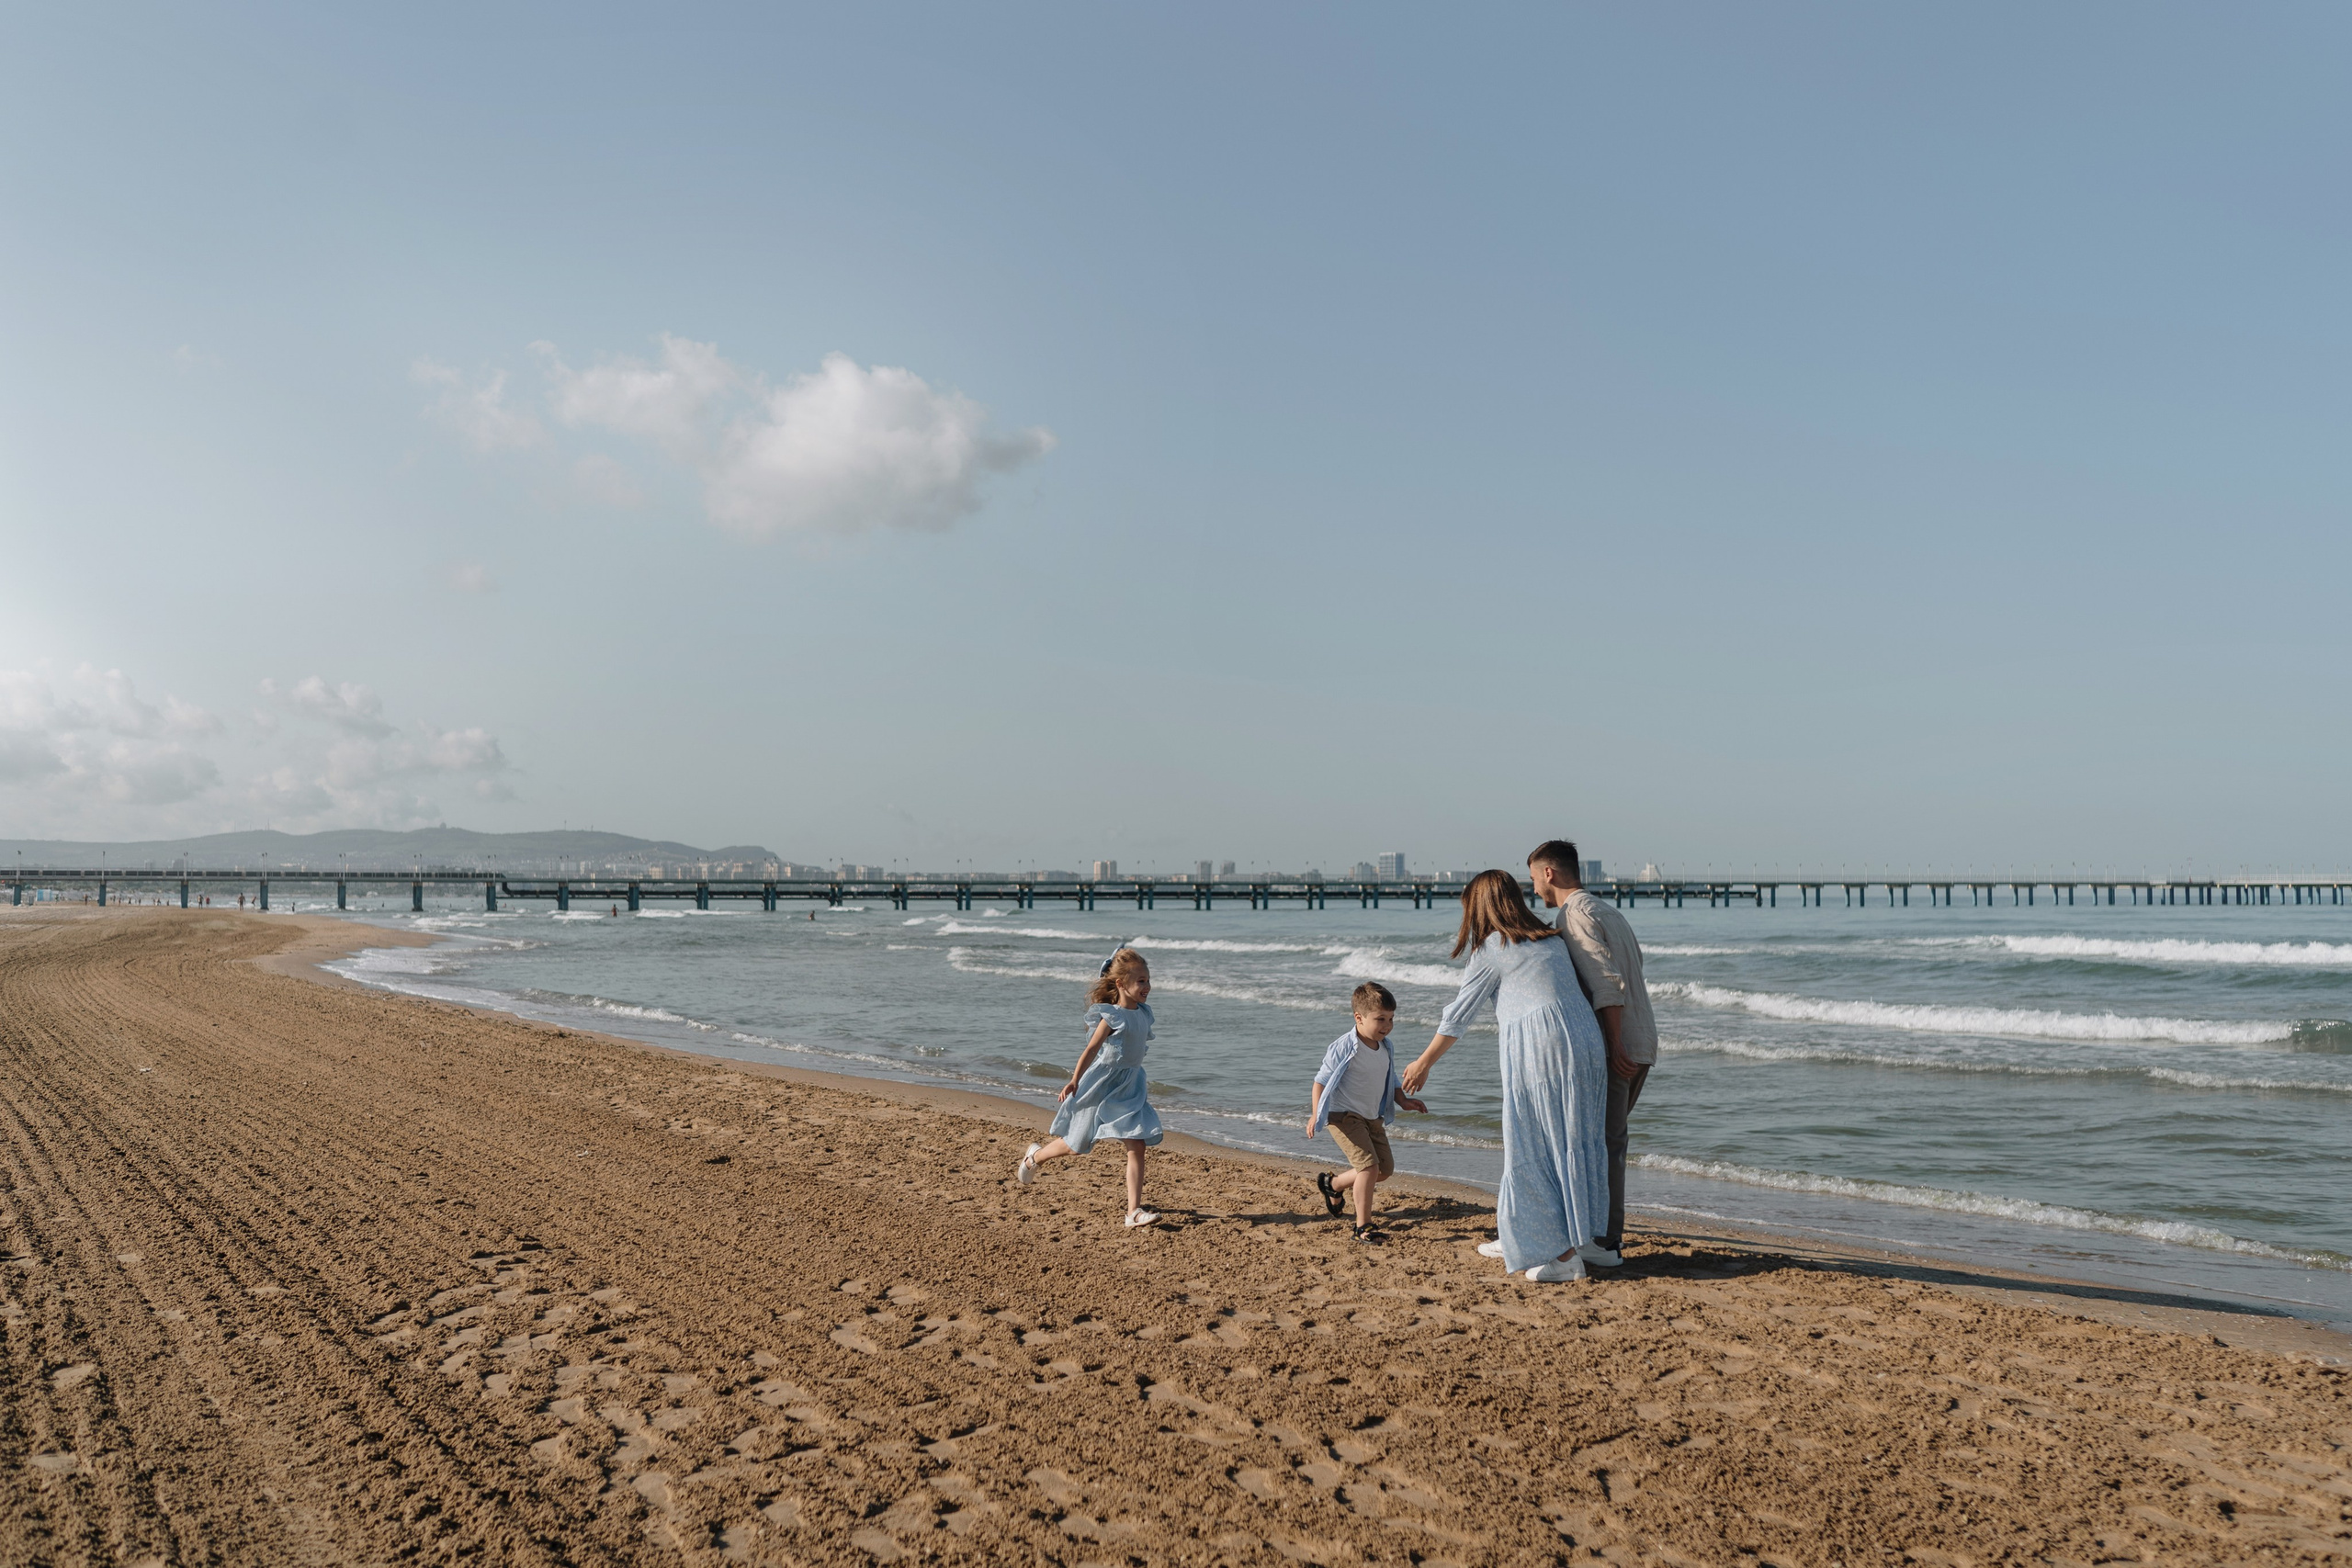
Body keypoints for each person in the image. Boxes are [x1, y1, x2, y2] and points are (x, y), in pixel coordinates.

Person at [1400, 869, 1609, 1282]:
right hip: (1585, 1041)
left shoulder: (1494, 947)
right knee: (1572, 1139)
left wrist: (1423, 1062)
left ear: (1478, 907)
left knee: (1532, 1143)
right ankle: (1563, 1239)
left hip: (1542, 1046)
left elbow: (1458, 1014)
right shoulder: (1550, 939)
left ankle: (1564, 1259)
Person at [1527, 840, 1657, 1269]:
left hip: (1617, 1045)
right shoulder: (1608, 911)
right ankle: (1600, 1236)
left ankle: (1604, 1241)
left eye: (1533, 878)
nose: (1534, 890)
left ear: (1549, 873)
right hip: (1643, 1039)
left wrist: (1613, 1044)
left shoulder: (1574, 915)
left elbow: (1607, 983)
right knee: (1608, 1141)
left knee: (1602, 1144)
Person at [1015, 946, 1164, 1228]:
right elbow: (1092, 1050)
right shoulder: (1112, 1016)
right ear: (1121, 984)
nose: (1147, 986)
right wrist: (1074, 1080)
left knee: (1137, 1143)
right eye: (1140, 981)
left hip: (1129, 1087)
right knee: (1076, 1144)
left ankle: (1133, 1211)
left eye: (1148, 980)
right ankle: (1035, 1156)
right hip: (1101, 1086)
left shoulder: (1144, 1013)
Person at [1305, 980, 1427, 1243]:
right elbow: (1320, 1081)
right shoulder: (1345, 1047)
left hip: (1373, 1116)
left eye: (1391, 1019)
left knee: (1384, 1170)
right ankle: (1363, 1227)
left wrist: (1403, 1101)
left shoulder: (1386, 1046)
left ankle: (1333, 1184)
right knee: (1369, 1167)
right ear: (1359, 1018)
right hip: (1343, 1115)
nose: (1387, 1025)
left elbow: (1390, 1077)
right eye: (1380, 1019)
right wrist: (1316, 1114)